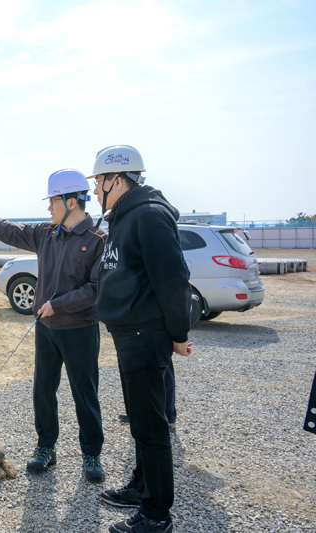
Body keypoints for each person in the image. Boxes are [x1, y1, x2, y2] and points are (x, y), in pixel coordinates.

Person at [0, 168, 108, 481]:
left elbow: (95, 289)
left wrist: (57, 305)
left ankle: (91, 454)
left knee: (85, 394)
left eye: (53, 202)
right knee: (43, 390)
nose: (49, 208)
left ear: (72, 202)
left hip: (80, 330)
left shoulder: (98, 240)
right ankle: (46, 447)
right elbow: (8, 229)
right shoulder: (47, 234)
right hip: (46, 330)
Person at [87, 145, 193, 533]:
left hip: (145, 334)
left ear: (116, 178)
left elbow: (173, 279)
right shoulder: (124, 217)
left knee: (151, 427)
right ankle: (141, 486)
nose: (96, 191)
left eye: (99, 183)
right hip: (129, 333)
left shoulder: (148, 215)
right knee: (140, 421)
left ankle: (155, 514)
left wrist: (178, 334)